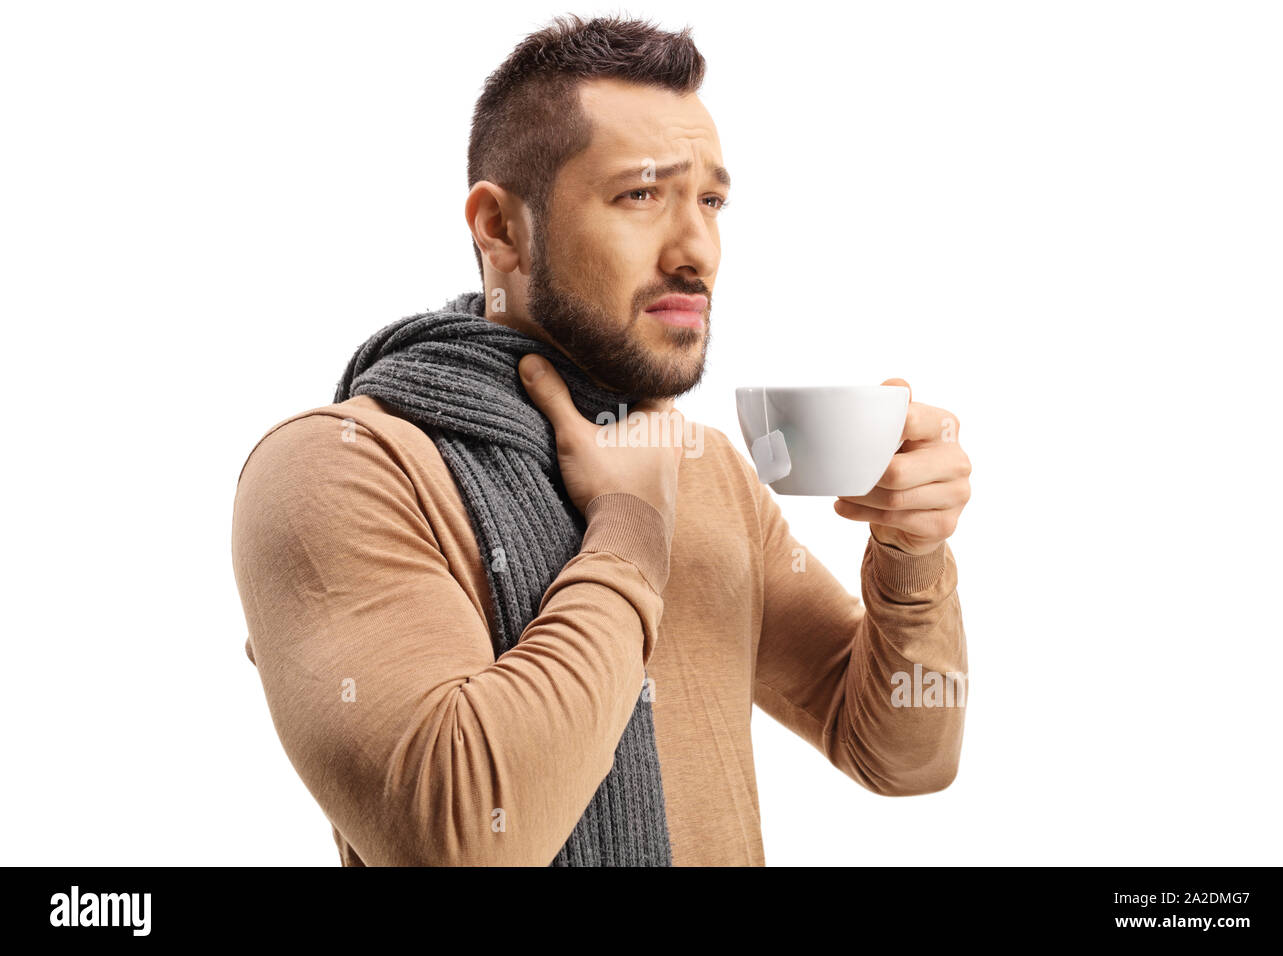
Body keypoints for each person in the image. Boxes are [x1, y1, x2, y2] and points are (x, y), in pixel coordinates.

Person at [230, 13, 972, 867]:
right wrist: (627, 530)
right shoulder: (340, 469)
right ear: (500, 228)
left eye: (711, 201)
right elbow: (460, 836)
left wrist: (911, 554)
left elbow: (903, 757)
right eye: (641, 195)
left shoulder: (694, 462)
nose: (698, 250)